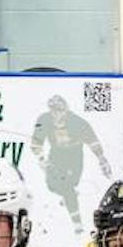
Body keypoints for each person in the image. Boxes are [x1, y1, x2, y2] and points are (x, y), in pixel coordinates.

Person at [29, 94, 113, 234]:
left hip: (74, 156)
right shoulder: (44, 120)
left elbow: (93, 141)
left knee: (69, 185)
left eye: (60, 111)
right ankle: (70, 201)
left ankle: (76, 220)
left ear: (66, 110)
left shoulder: (78, 122)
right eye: (53, 111)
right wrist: (42, 159)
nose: (57, 115)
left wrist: (102, 159)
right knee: (53, 186)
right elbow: (35, 143)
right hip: (56, 155)